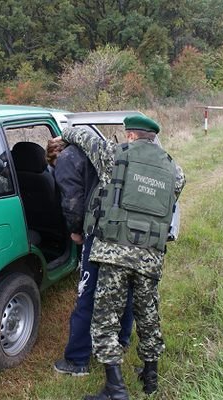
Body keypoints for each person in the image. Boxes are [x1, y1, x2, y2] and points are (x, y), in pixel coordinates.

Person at [56, 115, 185, 399]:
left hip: (114, 252)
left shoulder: (113, 154)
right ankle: (150, 377)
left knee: (105, 319)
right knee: (148, 315)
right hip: (150, 256)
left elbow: (84, 139)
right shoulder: (174, 169)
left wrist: (65, 131)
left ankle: (115, 388)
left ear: (129, 135)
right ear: (153, 137)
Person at [46, 136, 134, 377]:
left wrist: (75, 231)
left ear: (55, 154)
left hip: (97, 232)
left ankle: (77, 360)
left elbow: (73, 202)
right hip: (125, 228)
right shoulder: (98, 152)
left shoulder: (66, 159)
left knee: (88, 292)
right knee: (125, 286)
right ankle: (122, 340)